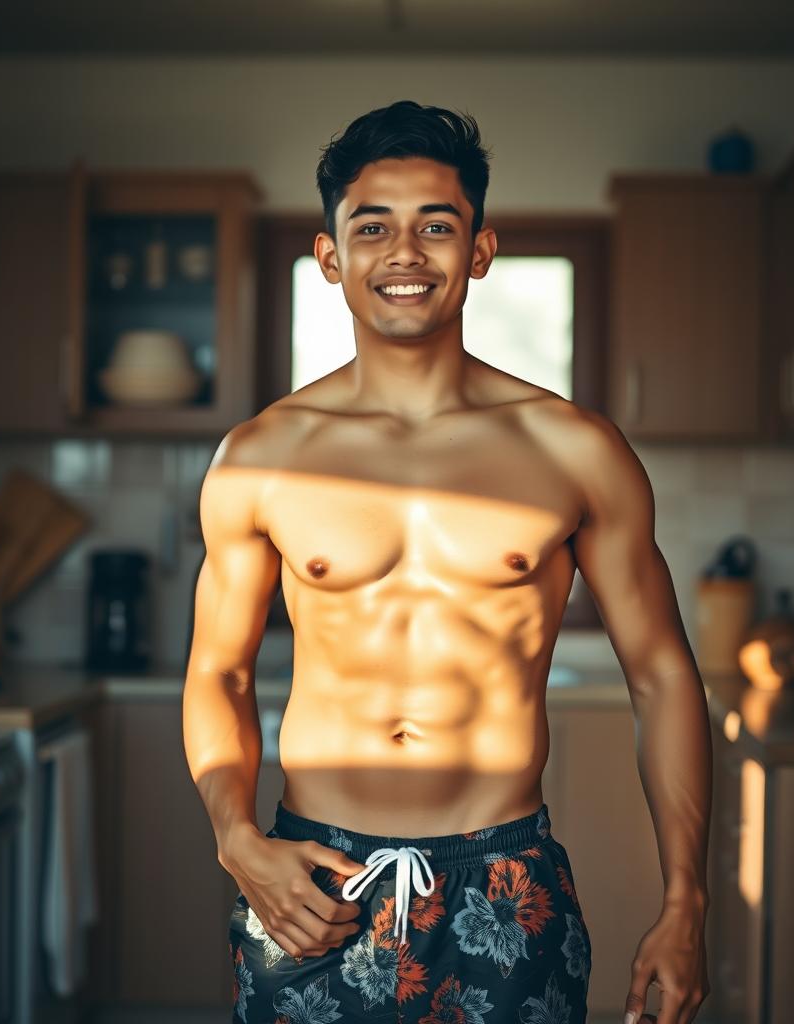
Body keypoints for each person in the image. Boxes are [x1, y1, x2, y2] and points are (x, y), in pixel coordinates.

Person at [183, 99, 711, 1024]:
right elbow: (219, 671)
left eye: (437, 225)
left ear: (479, 250)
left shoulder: (574, 450)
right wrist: (236, 836)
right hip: (312, 882)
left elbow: (663, 674)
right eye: (372, 226)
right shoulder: (260, 455)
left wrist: (687, 898)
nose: (405, 252)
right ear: (330, 257)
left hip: (504, 877)